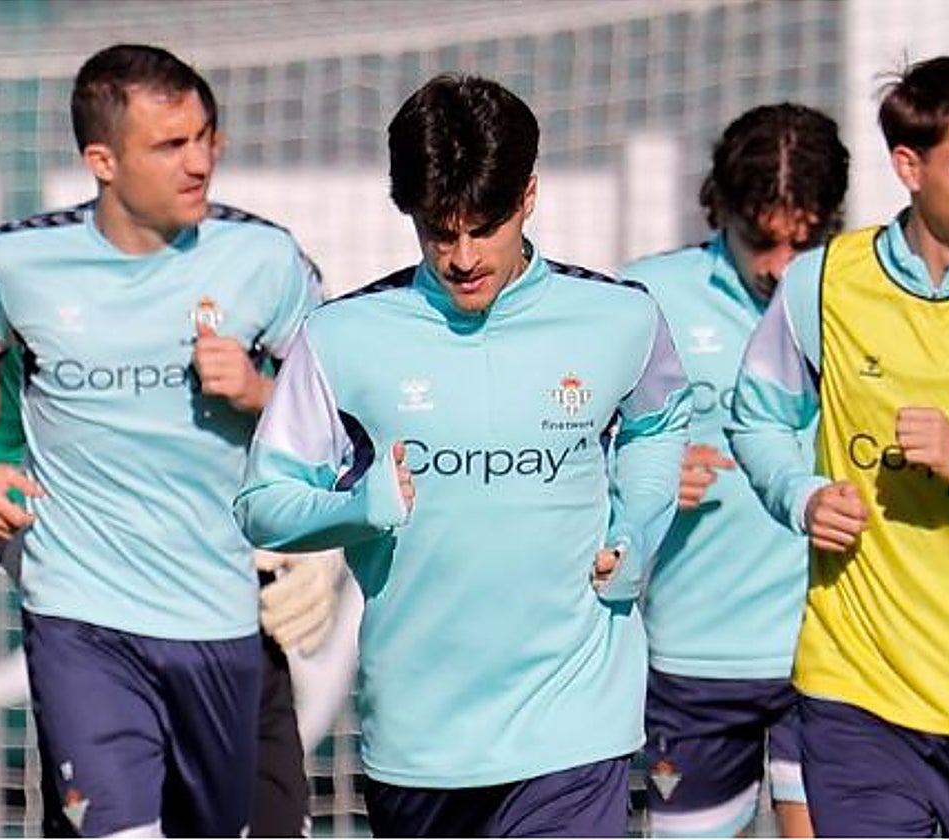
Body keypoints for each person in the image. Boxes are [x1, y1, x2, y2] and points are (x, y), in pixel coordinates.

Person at [234, 73, 691, 838]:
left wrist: (638, 528)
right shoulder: (343, 337)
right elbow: (262, 505)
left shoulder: (620, 320)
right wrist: (357, 508)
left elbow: (659, 423)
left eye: (484, 226)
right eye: (439, 231)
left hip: (574, 728)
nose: (462, 257)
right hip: (420, 746)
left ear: (530, 196)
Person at [0, 43, 329, 837]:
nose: (199, 163)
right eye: (170, 145)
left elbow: (339, 411)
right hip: (79, 612)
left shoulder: (266, 259)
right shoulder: (16, 261)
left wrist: (256, 392)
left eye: (206, 137)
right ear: (102, 160)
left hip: (220, 615)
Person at [728, 55, 949, 837]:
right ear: (909, 166)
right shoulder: (822, 285)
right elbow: (755, 419)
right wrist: (802, 495)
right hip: (858, 692)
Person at [622, 103, 848, 838]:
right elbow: (565, 442)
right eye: (763, 240)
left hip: (832, 652)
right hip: (690, 662)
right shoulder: (645, 297)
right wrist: (637, 472)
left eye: (804, 240)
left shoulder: (862, 297)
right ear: (717, 206)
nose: (782, 265)